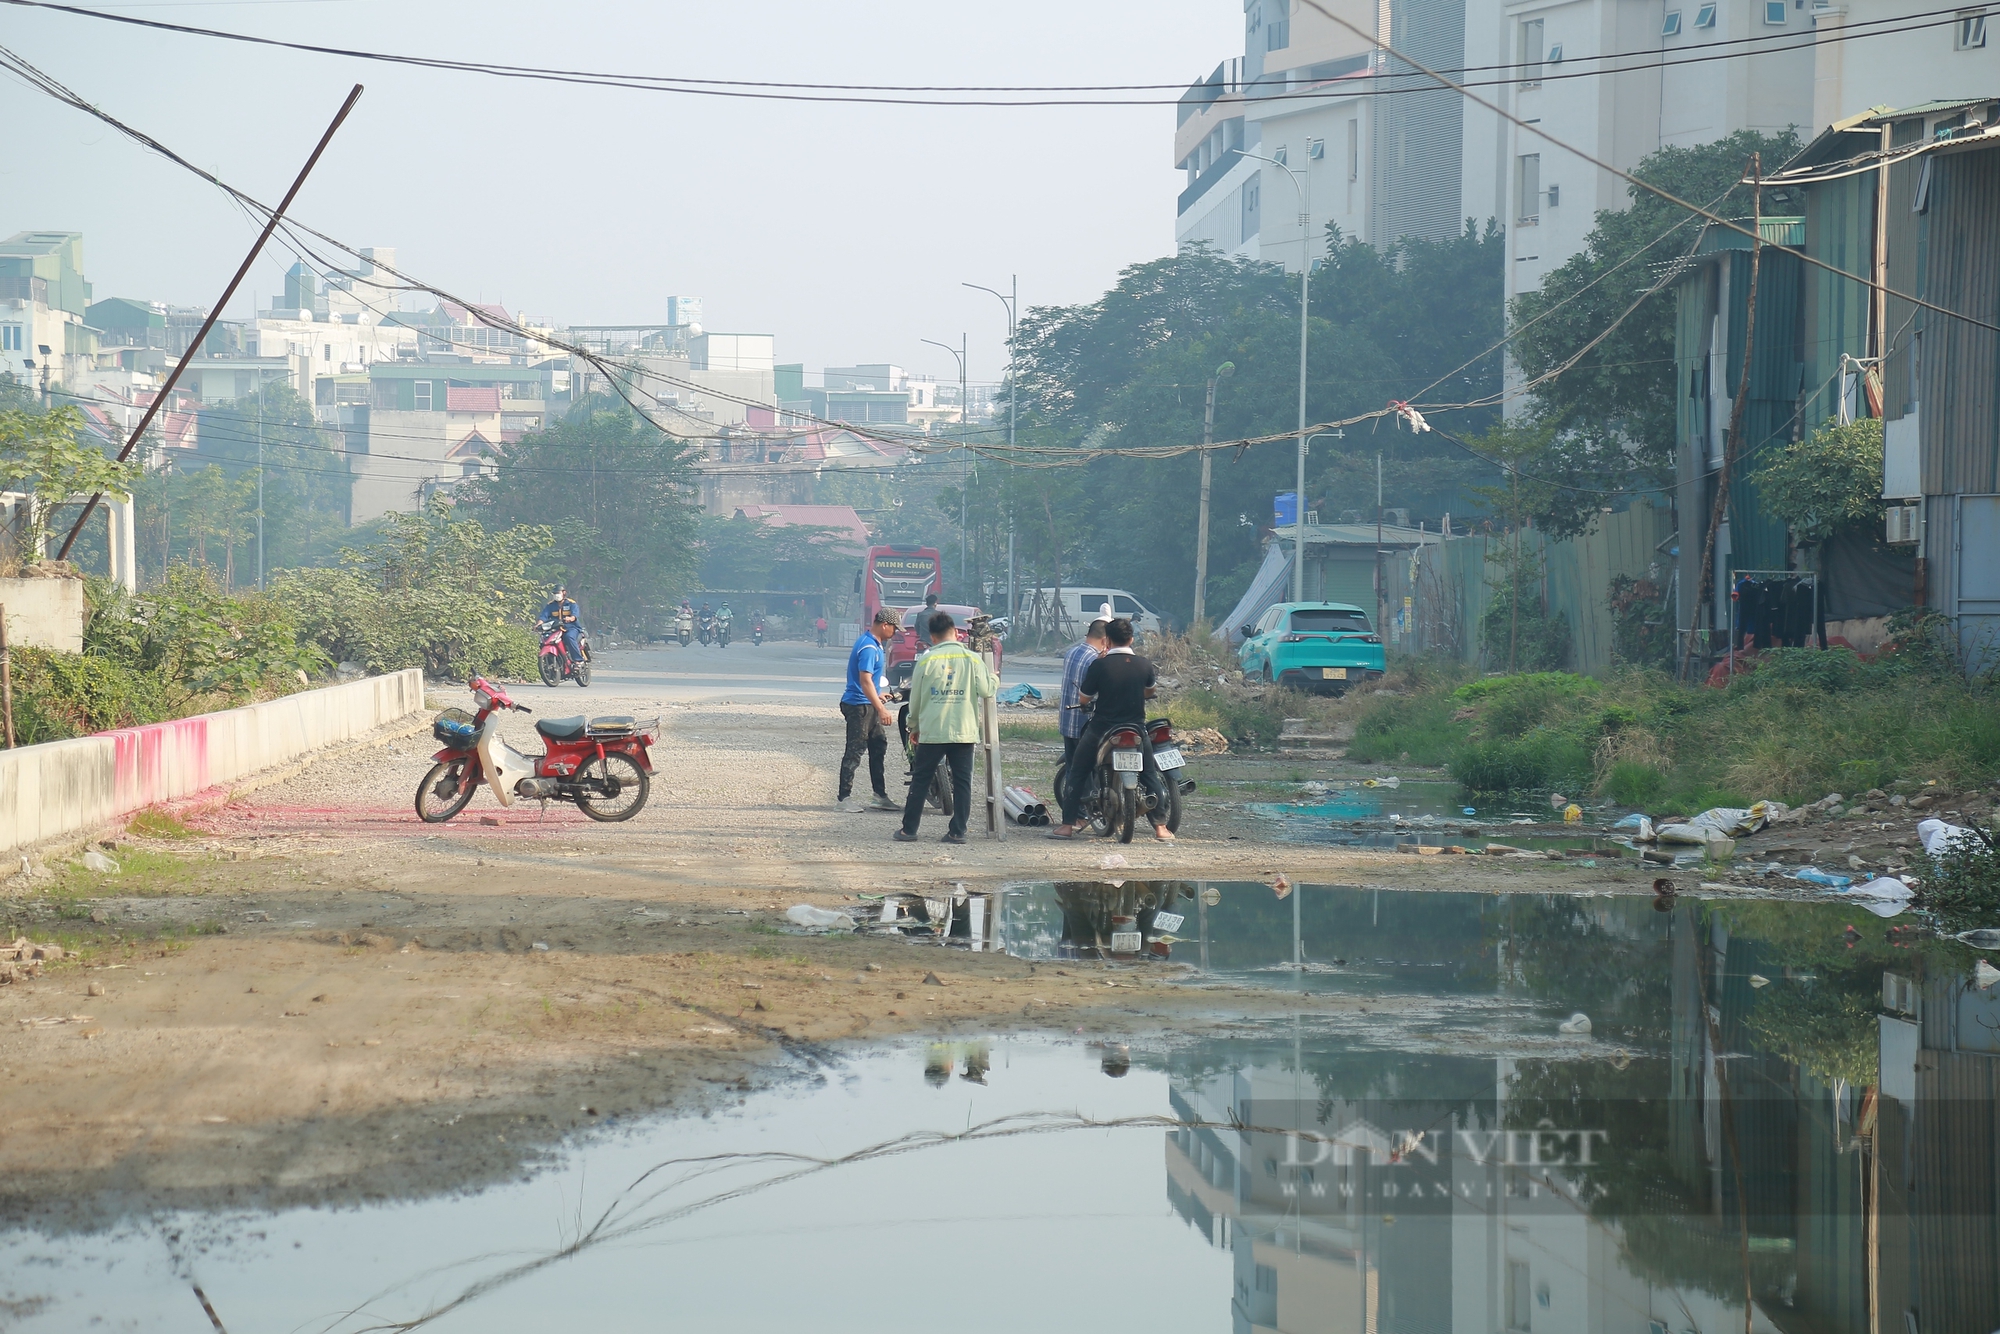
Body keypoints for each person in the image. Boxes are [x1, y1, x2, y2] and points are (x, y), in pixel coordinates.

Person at [1048, 617, 1172, 842]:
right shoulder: (1144, 664)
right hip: (1135, 728)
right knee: (1149, 774)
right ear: (1132, 639)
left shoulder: (1099, 664)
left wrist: (1089, 702)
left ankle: (1067, 826)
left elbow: (1084, 698)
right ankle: (1161, 828)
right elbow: (1150, 691)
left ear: (1108, 641)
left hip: (1102, 729)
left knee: (1077, 770)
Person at [894, 610, 995, 845]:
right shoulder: (972, 659)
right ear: (957, 634)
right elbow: (986, 690)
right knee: (962, 782)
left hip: (932, 730)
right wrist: (995, 678)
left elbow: (916, 700)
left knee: (921, 779)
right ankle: (957, 831)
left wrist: (913, 726)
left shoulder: (927, 660)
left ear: (933, 637)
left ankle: (909, 830)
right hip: (963, 731)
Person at [838, 608, 901, 811]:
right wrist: (881, 709)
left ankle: (879, 795)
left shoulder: (873, 643)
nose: (895, 632)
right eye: (894, 628)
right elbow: (864, 681)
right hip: (858, 705)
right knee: (855, 750)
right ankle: (843, 799)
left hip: (867, 702)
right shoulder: (868, 648)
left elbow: (870, 682)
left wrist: (878, 695)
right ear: (884, 625)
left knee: (878, 746)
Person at [1058, 619, 1110, 775]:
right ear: (1104, 640)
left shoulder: (1071, 653)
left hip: (1068, 721)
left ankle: (1070, 797)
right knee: (1086, 772)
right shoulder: (1095, 661)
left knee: (1072, 768)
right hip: (1084, 725)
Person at [541, 585, 584, 665]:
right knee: (545, 640)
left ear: (564, 593)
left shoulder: (571, 603)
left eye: (557, 593)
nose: (555, 595)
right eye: (554, 593)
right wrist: (537, 625)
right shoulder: (550, 605)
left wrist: (570, 618)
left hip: (571, 628)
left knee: (569, 637)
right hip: (555, 629)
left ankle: (577, 660)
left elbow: (575, 615)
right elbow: (543, 616)